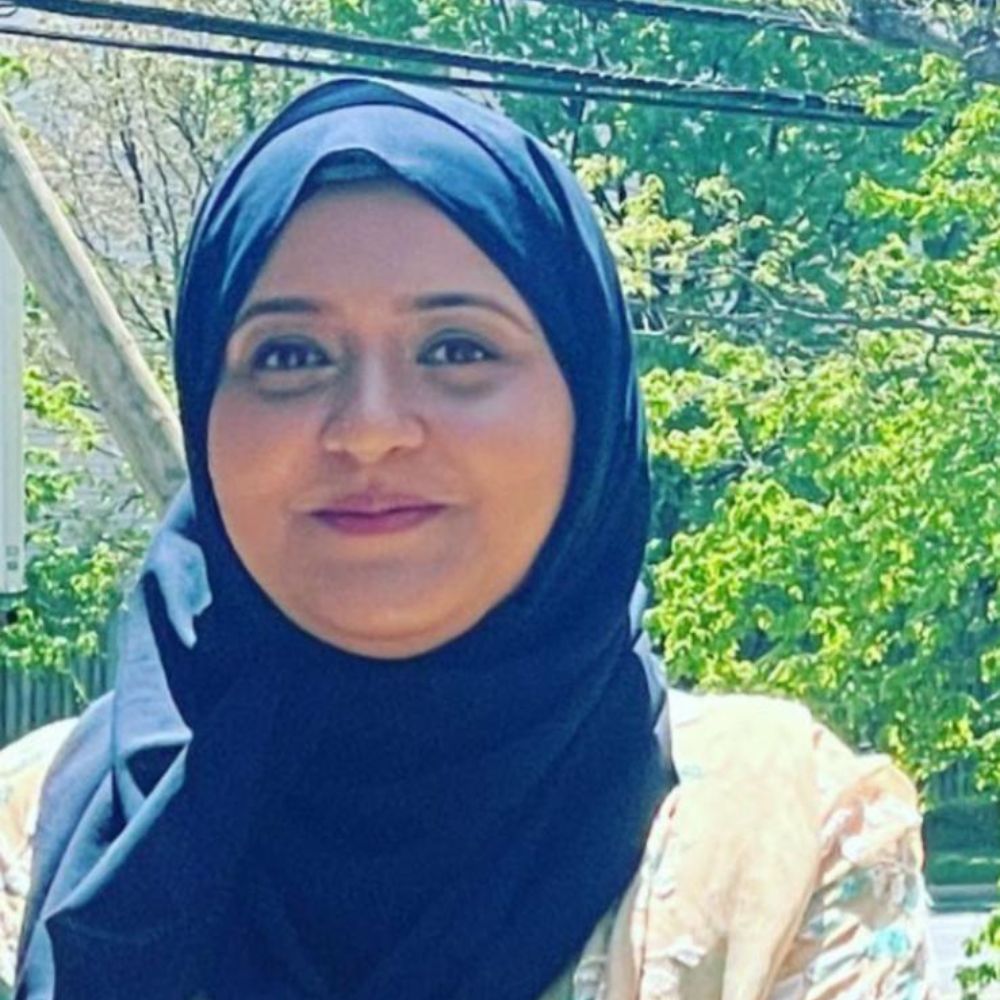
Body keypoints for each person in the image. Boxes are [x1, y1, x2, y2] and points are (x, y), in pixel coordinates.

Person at [11, 77, 934, 999]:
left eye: (458, 349)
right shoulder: (30, 835)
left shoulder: (785, 849)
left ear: (588, 401)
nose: (370, 428)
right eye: (290, 356)